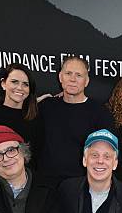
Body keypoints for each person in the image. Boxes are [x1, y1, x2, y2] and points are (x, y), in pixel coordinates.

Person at [38, 56, 114, 186]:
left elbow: (107, 153)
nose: (73, 79)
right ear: (60, 77)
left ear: (87, 81)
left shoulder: (100, 113)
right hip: (45, 184)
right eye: (68, 74)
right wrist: (34, 102)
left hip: (81, 185)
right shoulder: (46, 106)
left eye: (78, 75)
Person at [0, 63, 43, 167]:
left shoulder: (35, 117)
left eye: (25, 84)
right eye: (14, 82)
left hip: (28, 178)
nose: (20, 88)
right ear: (3, 84)